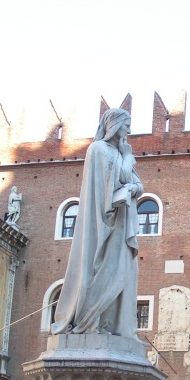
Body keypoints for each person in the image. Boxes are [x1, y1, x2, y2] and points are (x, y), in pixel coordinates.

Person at [52, 108, 143, 338]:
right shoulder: (98, 149)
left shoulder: (120, 152)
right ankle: (91, 321)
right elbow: (116, 181)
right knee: (103, 270)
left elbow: (137, 184)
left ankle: (112, 325)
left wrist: (132, 184)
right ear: (114, 125)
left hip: (121, 225)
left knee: (123, 271)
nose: (129, 131)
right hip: (105, 224)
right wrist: (128, 159)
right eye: (126, 125)